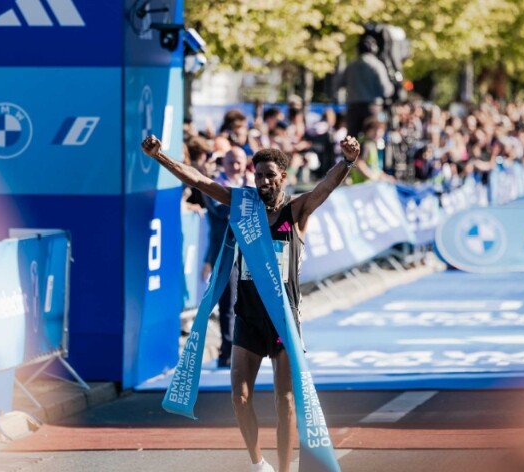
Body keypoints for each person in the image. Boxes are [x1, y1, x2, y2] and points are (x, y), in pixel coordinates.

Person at [141, 133, 360, 472]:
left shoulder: (296, 211)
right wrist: (160, 157)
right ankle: (259, 465)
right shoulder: (243, 206)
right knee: (239, 397)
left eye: (270, 175)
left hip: (283, 320)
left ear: (282, 176)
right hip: (248, 317)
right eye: (258, 176)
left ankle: (284, 470)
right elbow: (199, 181)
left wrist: (347, 161)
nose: (263, 182)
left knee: (285, 401)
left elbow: (326, 187)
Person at [201, 146, 254, 368]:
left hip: (249, 252)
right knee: (228, 304)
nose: (235, 166)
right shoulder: (214, 186)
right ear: (224, 163)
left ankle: (249, 348)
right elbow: (221, 211)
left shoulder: (252, 184)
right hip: (225, 253)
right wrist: (244, 196)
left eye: (239, 161)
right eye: (231, 161)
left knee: (250, 302)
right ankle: (227, 351)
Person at [339, 35, 394, 141]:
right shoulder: (377, 65)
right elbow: (386, 90)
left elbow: (339, 84)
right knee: (372, 138)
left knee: (351, 140)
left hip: (353, 107)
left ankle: (352, 153)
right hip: (372, 107)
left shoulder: (351, 66)